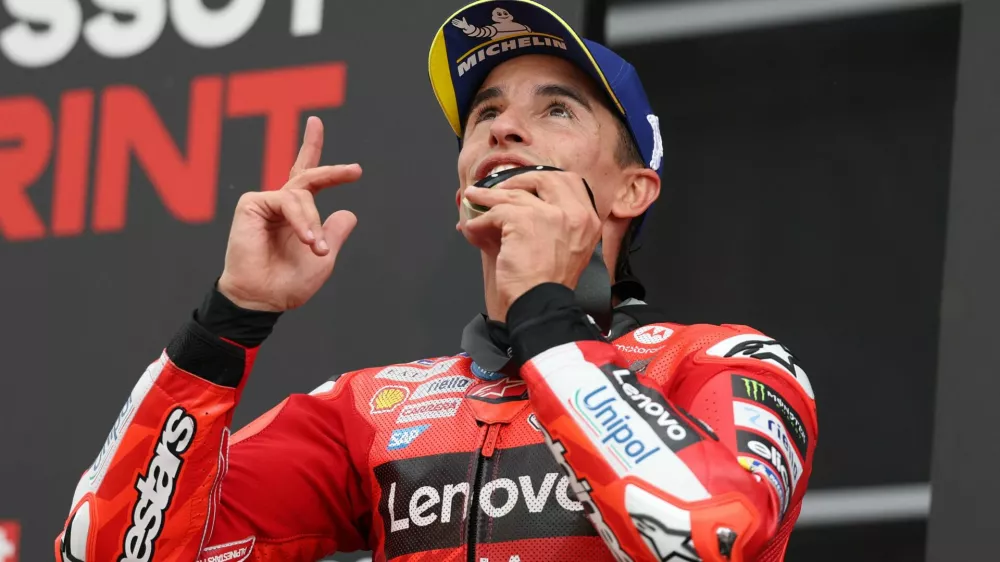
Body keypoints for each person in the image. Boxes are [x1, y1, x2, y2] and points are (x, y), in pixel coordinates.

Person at [55, 1, 817, 561]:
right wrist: (227, 322)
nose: (502, 127)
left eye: (557, 109)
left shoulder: (724, 364)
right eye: (486, 111)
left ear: (632, 190)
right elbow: (110, 553)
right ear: (460, 185)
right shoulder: (369, 410)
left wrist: (546, 317)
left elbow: (707, 535)